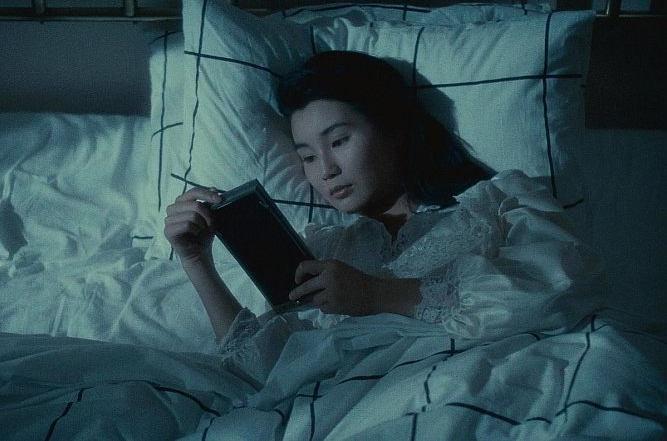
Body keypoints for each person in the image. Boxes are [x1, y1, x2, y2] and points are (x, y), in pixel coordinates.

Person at [164, 51, 603, 382]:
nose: (325, 170)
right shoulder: (324, 249)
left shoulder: (500, 201)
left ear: (395, 130)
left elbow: (564, 286)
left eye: (339, 141)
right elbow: (267, 370)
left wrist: (378, 295)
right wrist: (196, 262)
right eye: (308, 156)